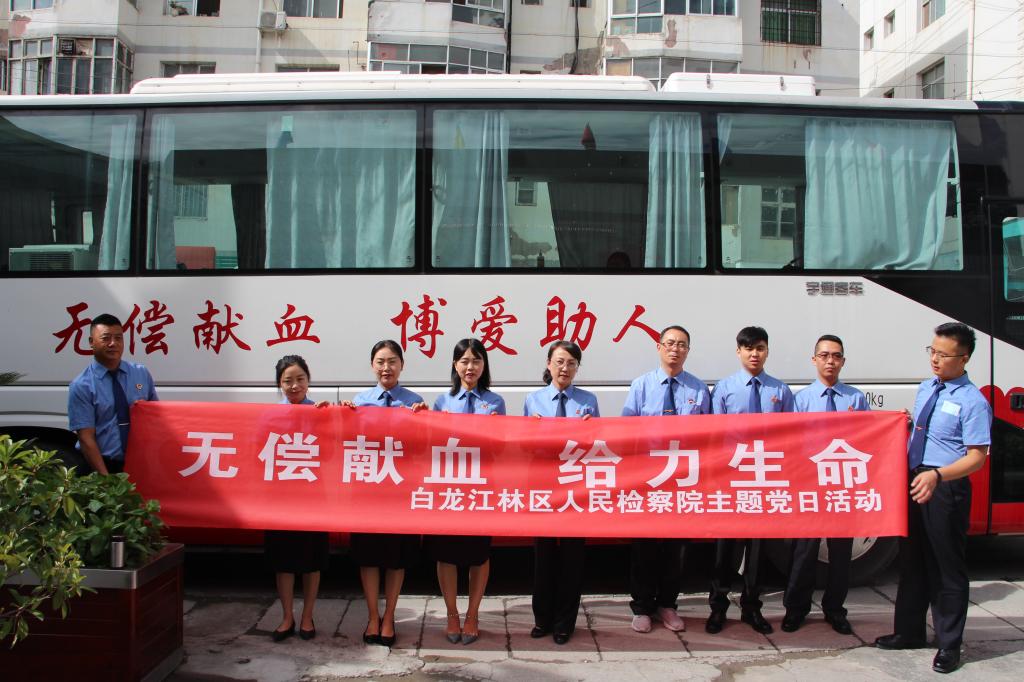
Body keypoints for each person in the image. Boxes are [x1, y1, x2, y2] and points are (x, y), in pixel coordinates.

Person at [875, 323, 991, 674]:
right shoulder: (927, 387)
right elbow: (926, 434)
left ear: (964, 358)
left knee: (945, 567)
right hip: (915, 479)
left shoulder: (973, 401)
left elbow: (976, 457)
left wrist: (938, 475)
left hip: (945, 486)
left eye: (943, 354)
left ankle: (949, 645)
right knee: (912, 561)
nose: (935, 359)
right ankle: (909, 632)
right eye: (932, 351)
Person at [621, 325, 711, 634]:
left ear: (688, 351)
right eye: (670, 343)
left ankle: (668, 604)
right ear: (659, 347)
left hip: (683, 479)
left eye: (682, 344)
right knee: (644, 546)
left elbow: (708, 437)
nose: (675, 349)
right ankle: (642, 606)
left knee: (677, 548)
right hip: (647, 479)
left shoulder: (699, 390)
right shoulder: (641, 386)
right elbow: (627, 434)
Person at [707, 326, 794, 635]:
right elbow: (713, 436)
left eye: (759, 348)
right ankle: (718, 607)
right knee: (726, 549)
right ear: (738, 352)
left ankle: (752, 607)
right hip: (732, 477)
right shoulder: (724, 389)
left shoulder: (780, 391)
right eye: (748, 348)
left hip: (765, 477)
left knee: (758, 550)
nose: (754, 354)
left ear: (767, 351)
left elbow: (791, 434)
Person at [340, 340, 427, 648]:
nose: (386, 368)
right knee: (368, 556)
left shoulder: (414, 402)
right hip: (368, 490)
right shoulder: (359, 402)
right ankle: (372, 616)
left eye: (392, 361)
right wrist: (342, 416)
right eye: (380, 362)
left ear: (402, 365)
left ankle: (389, 616)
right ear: (372, 366)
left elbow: (422, 446)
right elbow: (347, 441)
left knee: (396, 558)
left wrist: (424, 419)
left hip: (399, 491)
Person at [781, 334, 869, 635]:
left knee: (840, 553)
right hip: (810, 484)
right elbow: (793, 443)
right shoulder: (801, 400)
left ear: (843, 361)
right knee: (803, 552)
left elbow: (868, 437)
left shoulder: (856, 399)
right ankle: (796, 609)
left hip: (842, 484)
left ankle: (835, 610)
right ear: (814, 359)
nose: (830, 361)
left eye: (836, 356)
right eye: (824, 355)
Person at [430, 338, 506, 645]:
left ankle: (473, 615)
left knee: (478, 554)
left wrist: (496, 431)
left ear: (484, 365)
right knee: (446, 554)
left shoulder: (495, 402)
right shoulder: (442, 402)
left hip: (481, 487)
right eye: (464, 361)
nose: (470, 367)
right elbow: (432, 444)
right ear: (455, 365)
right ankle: (452, 614)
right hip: (449, 488)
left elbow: (501, 450)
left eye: (476, 361)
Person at [524, 340, 600, 645]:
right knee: (543, 556)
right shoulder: (533, 400)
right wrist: (530, 430)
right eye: (559, 362)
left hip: (575, 487)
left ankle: (565, 623)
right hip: (543, 485)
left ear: (577, 368)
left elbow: (598, 446)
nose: (564, 368)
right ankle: (542, 619)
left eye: (571, 363)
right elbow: (525, 446)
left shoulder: (588, 401)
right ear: (548, 364)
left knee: (572, 558)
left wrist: (591, 429)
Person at [265, 355, 330, 642]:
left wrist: (328, 419)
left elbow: (332, 452)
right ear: (279, 384)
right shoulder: (270, 415)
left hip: (313, 497)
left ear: (308, 380)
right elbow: (258, 451)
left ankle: (307, 616)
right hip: (280, 499)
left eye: (300, 379)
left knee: (312, 560)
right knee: (284, 561)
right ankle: (287, 616)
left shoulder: (320, 412)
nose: (294, 386)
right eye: (288, 381)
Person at [67, 313, 158, 475]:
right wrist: (106, 479)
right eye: (106, 338)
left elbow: (156, 417)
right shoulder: (82, 385)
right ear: (91, 342)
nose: (113, 343)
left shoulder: (141, 373)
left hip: (139, 463)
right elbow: (86, 439)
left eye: (118, 338)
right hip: (102, 465)